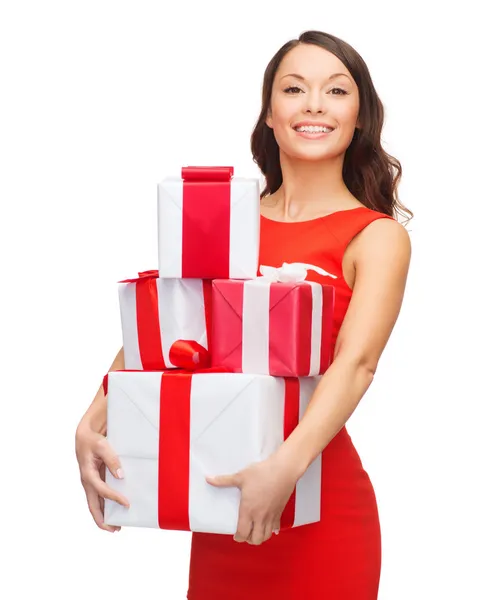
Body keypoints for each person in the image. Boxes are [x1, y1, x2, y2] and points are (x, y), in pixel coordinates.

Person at [75, 29, 412, 600]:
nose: (313, 104)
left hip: (319, 505)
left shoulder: (376, 236)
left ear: (360, 119)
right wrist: (93, 418)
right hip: (222, 502)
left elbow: (355, 366)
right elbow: (165, 331)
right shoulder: (222, 221)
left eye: (335, 90)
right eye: (293, 88)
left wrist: (284, 470)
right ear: (270, 116)